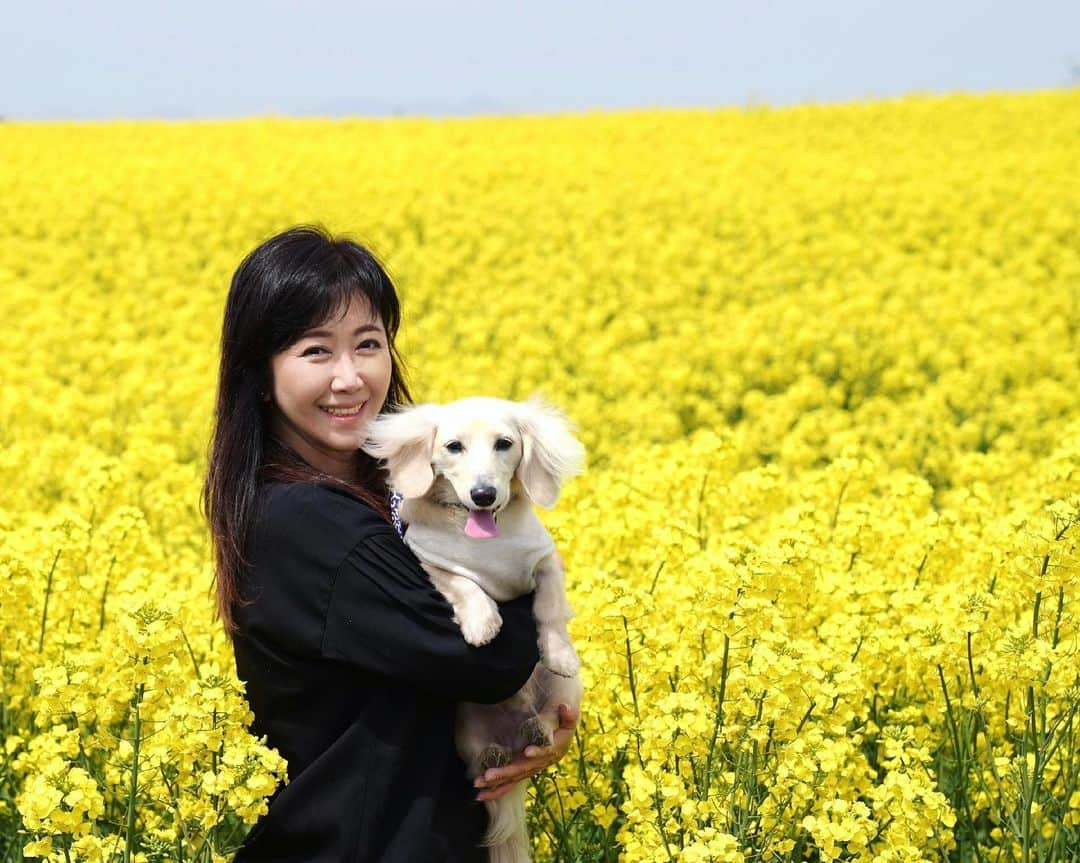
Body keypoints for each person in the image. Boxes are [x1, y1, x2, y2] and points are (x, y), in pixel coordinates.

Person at [201, 224, 580, 862]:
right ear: (261, 376)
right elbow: (483, 660)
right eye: (315, 352)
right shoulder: (309, 522)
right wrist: (531, 589)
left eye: (368, 344)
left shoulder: (403, 494)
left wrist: (536, 725)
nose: (349, 378)